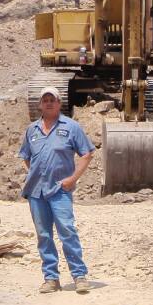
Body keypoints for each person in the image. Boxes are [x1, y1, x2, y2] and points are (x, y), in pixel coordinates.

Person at [19, 86, 95, 294]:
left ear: (59, 104)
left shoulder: (71, 127)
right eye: (45, 100)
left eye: (53, 99)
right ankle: (51, 279)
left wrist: (72, 179)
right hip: (36, 192)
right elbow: (25, 156)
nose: (49, 103)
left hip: (60, 190)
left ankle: (79, 275)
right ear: (40, 105)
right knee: (43, 235)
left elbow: (87, 154)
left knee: (67, 231)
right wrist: (36, 173)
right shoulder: (31, 130)